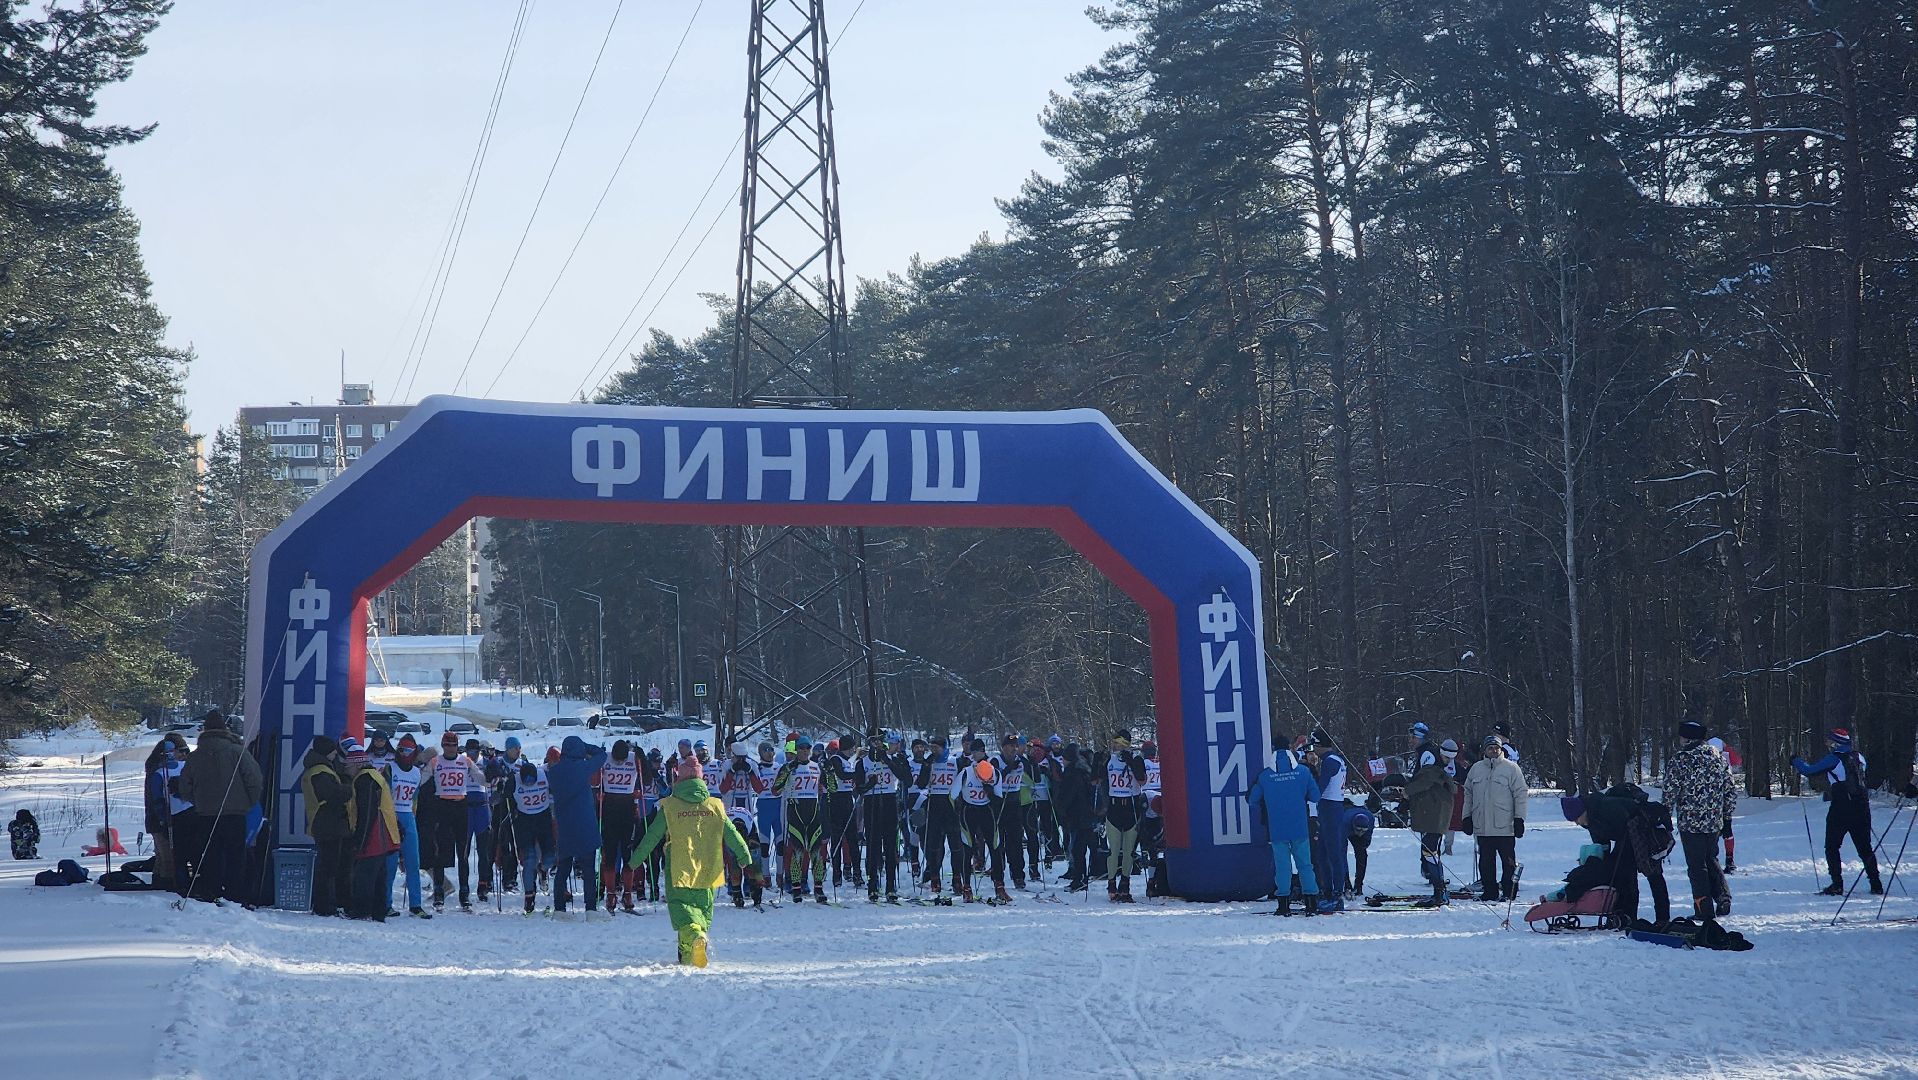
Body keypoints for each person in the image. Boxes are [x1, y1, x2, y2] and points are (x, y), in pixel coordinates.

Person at [633, 754, 760, 967]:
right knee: (702, 911)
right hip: (708, 866)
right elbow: (732, 833)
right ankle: (688, 949)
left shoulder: (670, 806)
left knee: (682, 910)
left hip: (679, 867)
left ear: (680, 780)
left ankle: (694, 938)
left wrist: (634, 862)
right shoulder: (715, 805)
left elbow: (652, 836)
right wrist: (744, 855)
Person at [177, 709, 264, 903]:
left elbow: (184, 786)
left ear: (205, 729)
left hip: (205, 814)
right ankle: (236, 895)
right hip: (235, 813)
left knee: (210, 855)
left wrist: (198, 801)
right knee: (236, 856)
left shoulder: (195, 756)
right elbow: (255, 779)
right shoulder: (237, 751)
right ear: (225, 728)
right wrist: (248, 802)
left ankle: (211, 892)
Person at [1562, 790, 1671, 929]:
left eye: (1577, 819)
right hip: (1626, 835)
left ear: (1583, 811)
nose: (1577, 823)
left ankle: (1662, 918)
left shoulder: (1606, 807)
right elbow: (1602, 844)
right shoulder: (1590, 821)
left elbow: (1629, 821)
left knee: (1652, 873)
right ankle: (1625, 915)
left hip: (1643, 830)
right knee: (1620, 873)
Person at [1793, 727, 1882, 896]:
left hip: (1841, 806)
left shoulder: (1834, 758)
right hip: (1862, 806)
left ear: (1836, 743)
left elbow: (1809, 771)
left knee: (1832, 846)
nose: (1828, 743)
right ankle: (1876, 884)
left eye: (1830, 740)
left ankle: (1837, 884)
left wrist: (1795, 760)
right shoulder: (1859, 757)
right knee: (1865, 847)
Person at [1665, 720, 1736, 921]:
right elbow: (1730, 790)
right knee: (1711, 858)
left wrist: (1665, 817)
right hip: (1714, 820)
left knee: (1697, 866)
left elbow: (1670, 792)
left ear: (1687, 738)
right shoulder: (1718, 757)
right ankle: (1723, 896)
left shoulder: (1680, 760)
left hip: (1690, 822)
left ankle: (1703, 908)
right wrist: (1727, 817)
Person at [1248, 741, 1321, 916]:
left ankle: (1283, 905)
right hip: (1300, 827)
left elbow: (1252, 800)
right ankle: (1311, 903)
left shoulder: (1265, 775)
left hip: (1277, 829)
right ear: (1289, 749)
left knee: (1282, 867)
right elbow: (1315, 796)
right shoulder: (1303, 772)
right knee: (1305, 865)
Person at [548, 734, 608, 914]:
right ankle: (590, 908)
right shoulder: (583, 767)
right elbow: (601, 755)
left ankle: (560, 908)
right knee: (588, 870)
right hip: (585, 824)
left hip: (565, 826)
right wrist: (585, 747)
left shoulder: (554, 772)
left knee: (563, 869)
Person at [1463, 735, 1526, 901]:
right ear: (1484, 750)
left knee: (1508, 862)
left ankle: (1509, 890)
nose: (1493, 750)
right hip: (1482, 825)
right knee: (1485, 862)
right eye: (1490, 748)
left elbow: (1520, 794)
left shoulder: (1511, 769)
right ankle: (1489, 891)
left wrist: (1519, 818)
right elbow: (1468, 794)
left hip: (1505, 825)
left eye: (1496, 748)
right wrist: (1466, 817)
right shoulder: (1476, 769)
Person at [298, 735, 352, 917]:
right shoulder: (320, 772)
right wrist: (349, 786)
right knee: (329, 867)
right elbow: (334, 795)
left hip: (323, 822)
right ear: (326, 752)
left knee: (328, 865)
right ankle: (325, 905)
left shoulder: (316, 769)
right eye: (333, 751)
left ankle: (326, 903)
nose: (336, 754)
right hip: (328, 823)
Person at [1404, 724, 1457, 907]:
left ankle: (1439, 891)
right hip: (1434, 812)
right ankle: (1438, 889)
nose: (1411, 741)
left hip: (1433, 812)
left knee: (1430, 851)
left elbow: (1424, 780)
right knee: (1430, 851)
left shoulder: (1429, 757)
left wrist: (1407, 792)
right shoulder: (1435, 759)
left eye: (1414, 737)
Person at [347, 743, 400, 921]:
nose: (347, 769)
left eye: (349, 765)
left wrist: (359, 841)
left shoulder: (364, 780)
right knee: (379, 875)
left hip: (374, 833)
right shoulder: (374, 775)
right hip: (385, 831)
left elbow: (366, 812)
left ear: (357, 764)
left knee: (365, 874)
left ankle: (362, 911)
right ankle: (378, 912)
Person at [422, 731, 475, 912]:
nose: (450, 749)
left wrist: (492, 777)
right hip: (442, 806)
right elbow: (421, 780)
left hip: (461, 806)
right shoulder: (435, 761)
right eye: (447, 745)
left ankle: (464, 894)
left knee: (463, 853)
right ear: (443, 745)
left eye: (453, 745)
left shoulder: (465, 761)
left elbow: (481, 778)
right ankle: (439, 892)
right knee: (440, 851)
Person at [774, 735, 829, 903]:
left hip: (813, 812)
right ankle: (796, 888)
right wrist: (786, 772)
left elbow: (831, 788)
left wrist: (830, 772)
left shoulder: (816, 767)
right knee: (797, 852)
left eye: (807, 748)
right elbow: (775, 790)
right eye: (801, 748)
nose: (805, 751)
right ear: (796, 750)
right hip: (795, 812)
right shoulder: (788, 767)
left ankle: (818, 888)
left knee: (816, 853)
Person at [1099, 731, 1149, 903]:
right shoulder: (1110, 759)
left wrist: (1132, 764)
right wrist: (1097, 764)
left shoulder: (1136, 759)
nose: (1114, 746)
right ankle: (1111, 883)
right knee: (1113, 851)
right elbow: (1097, 780)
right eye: (1114, 743)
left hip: (1131, 809)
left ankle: (1125, 885)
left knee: (1129, 852)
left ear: (1125, 744)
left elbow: (1142, 781)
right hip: (1114, 809)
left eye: (1118, 743)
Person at [859, 734, 909, 903]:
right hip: (871, 803)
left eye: (880, 741)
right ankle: (873, 885)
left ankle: (890, 886)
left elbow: (904, 777)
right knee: (873, 846)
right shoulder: (863, 762)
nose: (878, 744)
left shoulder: (891, 759)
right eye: (875, 741)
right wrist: (868, 784)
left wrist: (887, 760)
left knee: (890, 846)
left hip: (889, 802)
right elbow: (858, 788)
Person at [955, 737, 1006, 903]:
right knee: (968, 848)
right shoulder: (966, 772)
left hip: (986, 811)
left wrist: (989, 792)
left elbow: (999, 798)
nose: (977, 754)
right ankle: (967, 888)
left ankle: (999, 886)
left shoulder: (994, 772)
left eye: (980, 751)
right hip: (969, 811)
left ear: (984, 752)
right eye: (974, 752)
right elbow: (952, 794)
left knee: (995, 847)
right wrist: (957, 809)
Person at [915, 735, 965, 902]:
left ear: (944, 748)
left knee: (955, 845)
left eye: (936, 748)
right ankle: (935, 877)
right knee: (934, 845)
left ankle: (957, 878)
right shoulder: (930, 762)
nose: (933, 751)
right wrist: (926, 766)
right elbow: (921, 784)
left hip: (951, 806)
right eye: (932, 748)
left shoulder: (955, 761)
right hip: (935, 804)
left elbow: (964, 780)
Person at [598, 739, 643, 913]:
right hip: (609, 810)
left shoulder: (633, 757)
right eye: (617, 759)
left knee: (628, 855)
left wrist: (643, 758)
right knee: (609, 855)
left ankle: (628, 894)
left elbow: (646, 778)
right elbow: (594, 781)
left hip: (628, 811)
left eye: (622, 760)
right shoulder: (605, 757)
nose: (619, 762)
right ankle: (610, 894)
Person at [507, 757, 557, 914]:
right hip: (524, 821)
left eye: (532, 781)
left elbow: (557, 789)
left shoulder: (544, 775)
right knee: (529, 860)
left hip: (543, 820)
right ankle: (529, 897)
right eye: (526, 782)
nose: (529, 784)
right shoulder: (514, 780)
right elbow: (505, 797)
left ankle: (543, 869)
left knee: (550, 858)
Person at [386, 734, 428, 918]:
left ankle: (416, 904)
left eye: (409, 751)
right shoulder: (390, 768)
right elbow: (385, 794)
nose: (405, 754)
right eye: (402, 750)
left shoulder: (416, 773)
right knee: (390, 863)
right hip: (391, 815)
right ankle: (386, 903)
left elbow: (415, 798)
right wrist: (391, 817)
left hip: (408, 816)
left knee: (413, 862)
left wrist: (413, 816)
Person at [718, 742, 765, 908]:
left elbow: (759, 789)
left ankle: (751, 887)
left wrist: (750, 772)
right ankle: (734, 889)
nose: (741, 761)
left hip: (747, 815)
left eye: (743, 758)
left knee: (751, 852)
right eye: (738, 758)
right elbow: (722, 789)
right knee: (733, 854)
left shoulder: (752, 765)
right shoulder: (725, 765)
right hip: (730, 814)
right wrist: (732, 771)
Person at [1311, 730, 1352, 909]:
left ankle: (1336, 893)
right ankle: (1328, 891)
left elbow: (1319, 789)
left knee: (1333, 853)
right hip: (1332, 807)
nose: (1314, 751)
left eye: (1314, 747)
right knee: (1322, 853)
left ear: (1320, 745)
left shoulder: (1329, 761)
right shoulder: (1337, 759)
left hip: (1330, 807)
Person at [1051, 743, 1096, 891]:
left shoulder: (1072, 773)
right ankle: (1080, 877)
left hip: (1078, 815)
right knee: (1079, 848)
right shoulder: (1084, 769)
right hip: (1086, 814)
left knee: (1077, 849)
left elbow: (1068, 795)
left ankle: (1079, 879)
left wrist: (1061, 807)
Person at [822, 738, 863, 890]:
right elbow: (841, 774)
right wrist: (857, 774)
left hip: (848, 800)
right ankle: (836, 875)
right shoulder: (835, 759)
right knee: (837, 840)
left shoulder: (849, 761)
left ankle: (857, 873)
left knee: (853, 840)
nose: (853, 750)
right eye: (853, 748)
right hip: (836, 801)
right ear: (848, 747)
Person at [142, 737, 182, 891]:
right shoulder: (157, 771)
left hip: (168, 815)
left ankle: (159, 880)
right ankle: (164, 882)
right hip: (158, 818)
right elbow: (156, 798)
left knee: (162, 854)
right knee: (166, 855)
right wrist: (162, 818)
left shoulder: (175, 767)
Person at [991, 734, 1030, 892]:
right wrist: (1008, 769)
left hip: (1014, 804)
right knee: (998, 842)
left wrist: (1034, 764)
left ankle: (1018, 875)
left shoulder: (1021, 761)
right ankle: (998, 875)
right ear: (1003, 748)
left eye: (1016, 746)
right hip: (999, 804)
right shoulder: (995, 761)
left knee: (1015, 841)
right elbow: (993, 779)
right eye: (1010, 746)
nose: (1013, 749)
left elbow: (1034, 776)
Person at [753, 741, 785, 895]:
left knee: (780, 844)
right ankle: (766, 876)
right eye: (766, 750)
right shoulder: (757, 768)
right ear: (761, 753)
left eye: (771, 750)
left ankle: (780, 875)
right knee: (764, 844)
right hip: (764, 807)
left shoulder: (779, 767)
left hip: (778, 806)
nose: (770, 753)